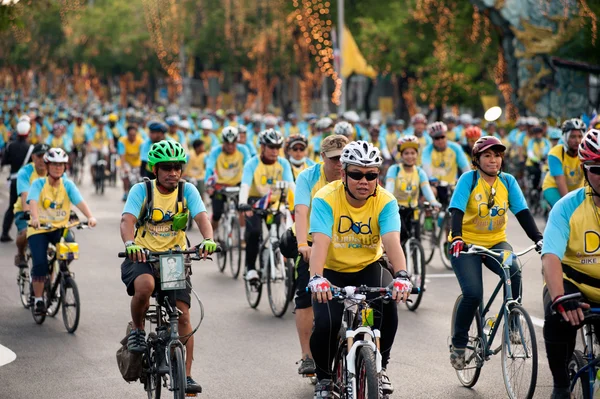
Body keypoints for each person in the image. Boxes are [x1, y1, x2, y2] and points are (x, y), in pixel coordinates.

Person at [307, 140, 412, 398]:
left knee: (388, 307)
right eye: (355, 174)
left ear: (378, 176)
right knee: (325, 323)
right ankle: (323, 378)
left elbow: (392, 242)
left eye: (371, 175)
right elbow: (320, 243)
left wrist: (402, 275)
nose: (363, 181)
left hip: (367, 267)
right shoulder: (325, 198)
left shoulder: (386, 201)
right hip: (330, 271)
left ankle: (381, 366)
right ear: (343, 173)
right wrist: (317, 278)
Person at [120, 140, 216, 395]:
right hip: (142, 257)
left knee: (182, 315)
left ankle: (186, 375)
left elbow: (202, 219)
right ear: (155, 169)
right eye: (166, 167)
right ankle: (138, 330)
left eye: (177, 167)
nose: (173, 172)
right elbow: (127, 220)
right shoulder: (142, 191)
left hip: (174, 259)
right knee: (145, 286)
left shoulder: (188, 191)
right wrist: (130, 243)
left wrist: (208, 240)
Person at [447, 136, 543, 369]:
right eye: (488, 155)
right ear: (476, 160)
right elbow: (457, 210)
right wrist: (457, 237)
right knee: (473, 294)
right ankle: (459, 345)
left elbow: (522, 213)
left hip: (496, 243)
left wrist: (539, 238)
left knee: (515, 271)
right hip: (466, 245)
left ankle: (512, 325)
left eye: (497, 155)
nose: (494, 160)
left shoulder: (508, 182)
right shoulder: (468, 180)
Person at [541, 128, 600, 399]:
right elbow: (550, 256)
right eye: (597, 168)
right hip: (572, 284)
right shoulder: (566, 207)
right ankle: (561, 385)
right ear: (584, 168)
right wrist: (560, 297)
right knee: (557, 319)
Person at [285, 134, 348, 376]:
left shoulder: (354, 175)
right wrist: (303, 244)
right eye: (334, 159)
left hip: (345, 243)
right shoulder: (308, 177)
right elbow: (301, 211)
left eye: (344, 158)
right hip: (311, 241)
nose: (340, 164)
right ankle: (307, 355)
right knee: (306, 295)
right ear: (322, 158)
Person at [27, 148, 97, 315]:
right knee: (40, 264)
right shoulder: (38, 184)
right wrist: (35, 218)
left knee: (71, 249)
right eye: (55, 164)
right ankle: (38, 299)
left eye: (61, 165)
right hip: (39, 230)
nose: (58, 168)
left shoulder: (68, 184)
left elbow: (79, 201)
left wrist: (90, 217)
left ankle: (60, 274)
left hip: (61, 228)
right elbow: (33, 202)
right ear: (48, 165)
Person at [238, 129, 295, 282]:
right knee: (255, 232)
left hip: (274, 203)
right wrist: (243, 203)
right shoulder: (252, 163)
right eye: (271, 147)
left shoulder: (284, 163)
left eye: (278, 147)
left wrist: (299, 204)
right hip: (254, 203)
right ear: (262, 147)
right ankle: (250, 268)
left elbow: (291, 185)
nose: (275, 151)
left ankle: (276, 263)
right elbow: (245, 186)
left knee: (279, 235)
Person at [385, 135, 440, 243]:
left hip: (413, 210)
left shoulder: (420, 172)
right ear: (401, 155)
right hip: (397, 210)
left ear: (417, 154)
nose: (410, 156)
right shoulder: (394, 169)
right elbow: (389, 188)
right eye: (406, 153)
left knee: (417, 239)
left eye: (412, 153)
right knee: (401, 238)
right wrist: (387, 202)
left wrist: (433, 202)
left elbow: (426, 189)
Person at [204, 126, 250, 231]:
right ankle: (212, 237)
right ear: (223, 142)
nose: (230, 146)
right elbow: (209, 168)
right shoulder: (216, 151)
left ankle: (242, 236)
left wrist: (249, 184)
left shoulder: (243, 150)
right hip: (220, 186)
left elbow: (248, 168)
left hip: (237, 184)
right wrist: (209, 184)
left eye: (233, 144)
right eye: (227, 144)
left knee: (242, 210)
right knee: (217, 214)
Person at [13, 143, 49, 268]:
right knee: (25, 232)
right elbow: (25, 195)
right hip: (25, 209)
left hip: (47, 210)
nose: (43, 160)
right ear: (33, 157)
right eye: (39, 156)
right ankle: (20, 253)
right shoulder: (25, 172)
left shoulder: (55, 170)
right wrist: (29, 216)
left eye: (46, 156)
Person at [421, 121, 470, 205]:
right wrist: (431, 178)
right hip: (435, 184)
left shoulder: (455, 148)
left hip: (452, 185)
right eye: (436, 138)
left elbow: (465, 167)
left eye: (442, 137)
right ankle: (425, 217)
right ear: (432, 139)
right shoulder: (427, 150)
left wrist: (466, 180)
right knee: (429, 195)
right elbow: (426, 167)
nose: (440, 140)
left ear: (446, 136)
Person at [542, 118, 586, 208]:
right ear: (565, 137)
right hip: (554, 187)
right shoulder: (555, 153)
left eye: (580, 136)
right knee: (564, 210)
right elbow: (559, 181)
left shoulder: (586, 153)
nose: (577, 140)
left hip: (577, 189)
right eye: (573, 137)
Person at [1, 119, 32, 242]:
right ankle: (27, 233)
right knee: (27, 207)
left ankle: (4, 232)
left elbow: (4, 162)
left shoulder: (10, 146)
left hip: (13, 180)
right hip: (26, 182)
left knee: (11, 206)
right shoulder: (31, 148)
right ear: (28, 133)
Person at [118, 125, 144, 201]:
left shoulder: (141, 142)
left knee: (138, 179)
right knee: (125, 175)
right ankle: (125, 192)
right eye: (130, 135)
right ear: (127, 134)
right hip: (126, 162)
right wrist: (123, 168)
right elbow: (122, 155)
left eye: (134, 135)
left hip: (137, 163)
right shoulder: (122, 141)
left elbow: (143, 156)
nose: (132, 137)